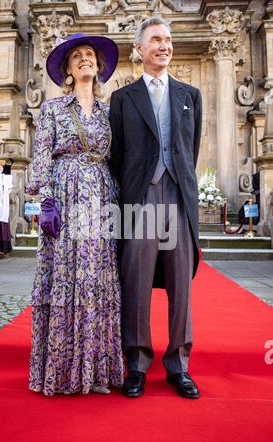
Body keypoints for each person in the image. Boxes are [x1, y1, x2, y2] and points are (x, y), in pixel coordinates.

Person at [26, 33, 124, 396]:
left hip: (101, 198)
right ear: (67, 69)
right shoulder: (52, 109)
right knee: (67, 277)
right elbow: (42, 156)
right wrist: (46, 201)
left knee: (96, 279)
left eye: (90, 55)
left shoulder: (109, 112)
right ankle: (63, 371)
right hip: (65, 199)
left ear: (98, 66)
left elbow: (118, 160)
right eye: (77, 56)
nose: (85, 59)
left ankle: (95, 370)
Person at [109, 17, 202, 399]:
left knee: (181, 286)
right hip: (140, 199)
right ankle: (137, 364)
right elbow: (117, 157)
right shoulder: (123, 98)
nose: (164, 46)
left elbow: (189, 149)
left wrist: (178, 183)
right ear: (140, 49)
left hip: (178, 197)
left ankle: (179, 366)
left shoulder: (190, 95)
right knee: (136, 284)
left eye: (168, 40)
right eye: (156, 40)